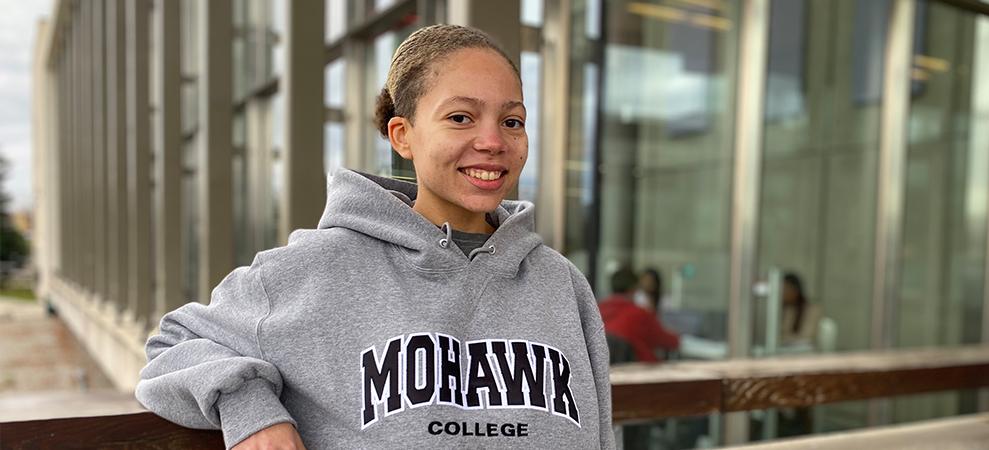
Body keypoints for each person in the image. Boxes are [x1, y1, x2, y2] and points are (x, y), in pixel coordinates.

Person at [135, 25, 613, 450]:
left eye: (512, 122)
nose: (493, 141)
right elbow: (173, 344)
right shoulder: (317, 268)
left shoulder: (561, 283)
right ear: (402, 135)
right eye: (460, 118)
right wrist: (251, 412)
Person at [598, 268, 680, 363]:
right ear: (634, 288)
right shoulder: (639, 314)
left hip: (605, 369)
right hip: (637, 368)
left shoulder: (597, 311)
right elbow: (669, 341)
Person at [780, 272, 821, 347]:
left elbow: (808, 337)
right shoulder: (787, 309)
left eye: (786, 289)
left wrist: (786, 338)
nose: (782, 293)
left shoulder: (812, 309)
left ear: (796, 290)